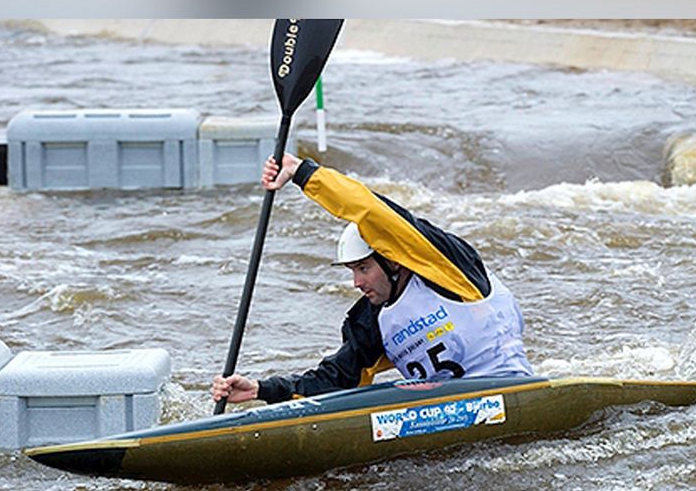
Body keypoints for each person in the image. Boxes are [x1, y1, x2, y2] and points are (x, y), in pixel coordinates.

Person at [211, 153, 533, 405]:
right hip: (447, 413)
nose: (356, 282)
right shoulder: (372, 320)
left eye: (363, 268)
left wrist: (303, 173)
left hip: (511, 392)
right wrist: (261, 389)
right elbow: (337, 379)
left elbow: (374, 211)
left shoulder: (450, 271)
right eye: (352, 271)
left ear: (392, 260)